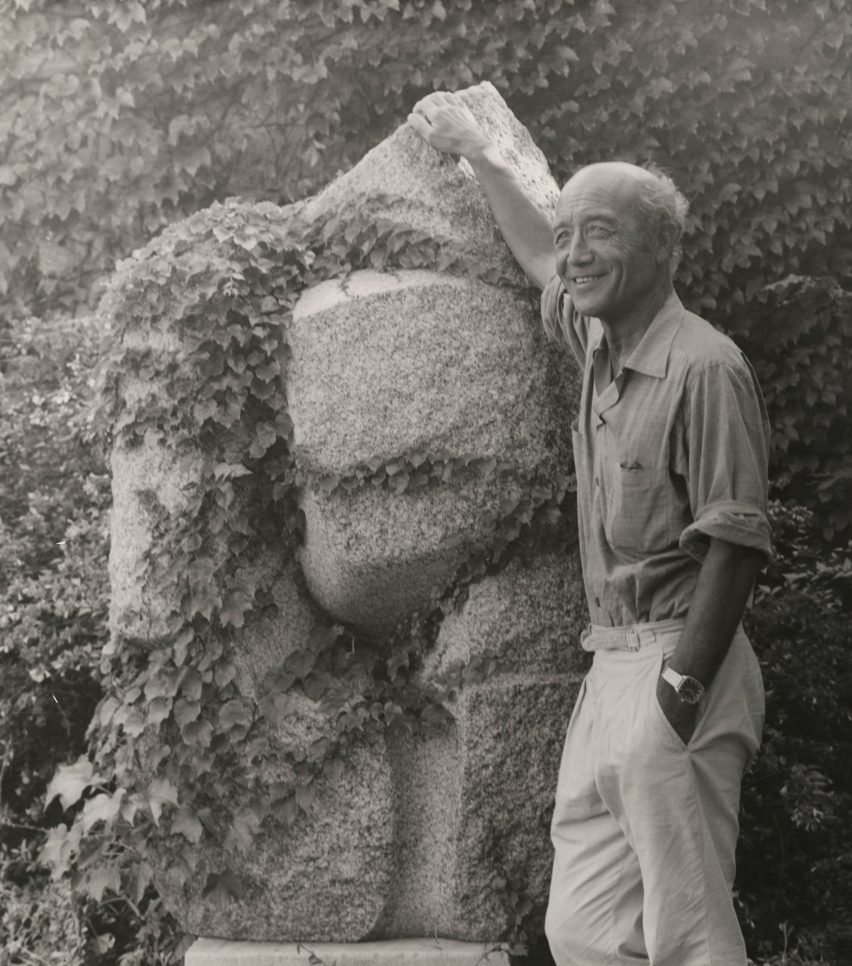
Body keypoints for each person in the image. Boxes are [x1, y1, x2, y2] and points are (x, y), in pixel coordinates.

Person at [408, 92, 771, 966]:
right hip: (608, 662)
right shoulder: (600, 345)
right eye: (572, 231)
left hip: (681, 660)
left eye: (598, 231)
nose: (576, 253)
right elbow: (538, 253)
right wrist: (482, 156)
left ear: (661, 246)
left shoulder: (705, 367)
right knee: (584, 930)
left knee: (689, 935)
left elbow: (736, 542)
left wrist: (679, 690)